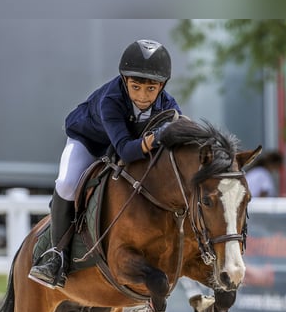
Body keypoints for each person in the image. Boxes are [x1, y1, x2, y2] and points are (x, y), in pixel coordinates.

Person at [28, 39, 182, 289]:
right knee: (67, 184)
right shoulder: (110, 99)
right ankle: (56, 255)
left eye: (151, 89)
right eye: (136, 87)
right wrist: (156, 138)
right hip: (89, 142)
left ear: (162, 86)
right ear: (124, 81)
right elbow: (125, 150)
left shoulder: (168, 105)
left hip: (126, 143)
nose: (143, 96)